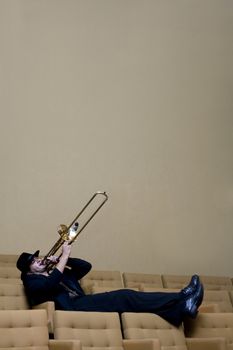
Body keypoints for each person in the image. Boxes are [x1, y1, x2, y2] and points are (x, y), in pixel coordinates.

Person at [16, 242, 204, 327]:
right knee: (125, 296)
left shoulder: (55, 270)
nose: (38, 260)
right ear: (28, 271)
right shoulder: (31, 281)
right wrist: (63, 258)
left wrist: (64, 259)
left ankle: (181, 307)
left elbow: (85, 267)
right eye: (33, 261)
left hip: (82, 301)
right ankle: (182, 297)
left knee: (129, 301)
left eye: (37, 257)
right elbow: (48, 287)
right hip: (71, 309)